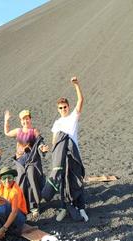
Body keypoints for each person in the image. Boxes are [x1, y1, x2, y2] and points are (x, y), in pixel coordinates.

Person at [43, 76, 88, 222]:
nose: (63, 109)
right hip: (60, 156)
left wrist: (76, 85)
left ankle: (81, 208)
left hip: (73, 154)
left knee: (76, 180)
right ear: (58, 109)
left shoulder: (73, 117)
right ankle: (63, 208)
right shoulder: (57, 122)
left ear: (68, 107)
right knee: (62, 181)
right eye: (61, 108)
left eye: (65, 107)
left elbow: (81, 101)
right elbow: (55, 140)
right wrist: (49, 150)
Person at [4, 109, 48, 220]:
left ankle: (34, 207)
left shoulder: (34, 131)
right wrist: (6, 120)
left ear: (30, 119)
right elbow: (7, 132)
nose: (25, 121)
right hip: (20, 161)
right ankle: (23, 206)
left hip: (31, 160)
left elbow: (40, 142)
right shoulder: (18, 131)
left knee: (32, 181)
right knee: (21, 183)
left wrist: (42, 148)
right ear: (21, 121)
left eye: (27, 118)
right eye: (23, 119)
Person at [0, 166, 28, 241]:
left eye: (9, 177)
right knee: (0, 203)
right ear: (1, 180)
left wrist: (4, 228)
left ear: (13, 178)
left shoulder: (16, 191)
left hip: (19, 217)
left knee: (2, 203)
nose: (7, 180)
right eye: (4, 178)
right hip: (6, 215)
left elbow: (14, 212)